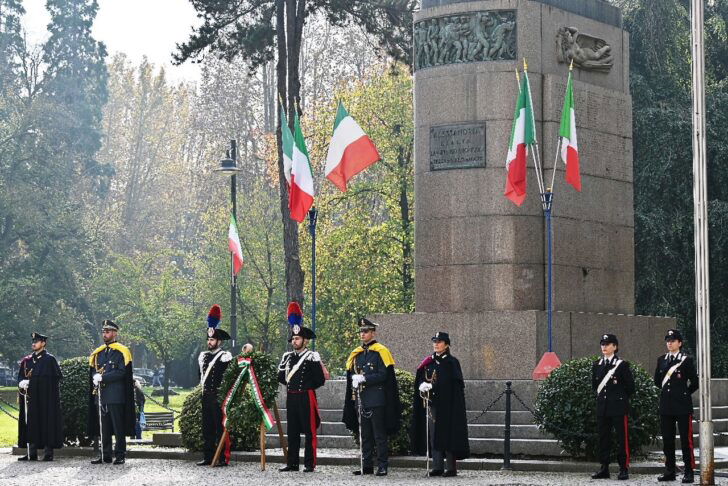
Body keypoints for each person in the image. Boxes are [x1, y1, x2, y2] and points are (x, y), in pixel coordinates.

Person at [342, 318, 401, 477]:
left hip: (376, 399)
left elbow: (383, 375)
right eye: (361, 331)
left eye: (366, 331)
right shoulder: (358, 353)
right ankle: (366, 465)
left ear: (373, 333)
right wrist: (354, 379)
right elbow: (353, 373)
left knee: (379, 435)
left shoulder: (380, 351)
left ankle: (382, 466)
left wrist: (365, 378)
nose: (362, 334)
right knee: (365, 435)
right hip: (361, 399)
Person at [411, 331, 469, 477]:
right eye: (434, 341)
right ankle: (437, 466)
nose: (436, 344)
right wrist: (421, 385)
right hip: (432, 403)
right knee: (433, 434)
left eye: (439, 341)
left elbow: (453, 384)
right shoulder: (428, 362)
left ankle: (450, 468)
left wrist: (434, 387)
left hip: (448, 405)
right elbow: (421, 377)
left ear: (446, 344)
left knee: (448, 435)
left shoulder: (451, 362)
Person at [277, 302, 326, 473]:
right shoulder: (288, 357)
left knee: (309, 432)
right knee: (292, 432)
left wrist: (305, 386)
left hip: (306, 396)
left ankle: (309, 463)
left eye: (297, 339)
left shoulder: (311, 356)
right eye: (293, 339)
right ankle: (292, 463)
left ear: (305, 340)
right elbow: (281, 377)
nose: (294, 341)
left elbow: (320, 379)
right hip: (291, 396)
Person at [654, 329, 699, 483]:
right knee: (667, 440)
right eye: (668, 340)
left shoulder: (686, 360)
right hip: (666, 405)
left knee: (686, 441)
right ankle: (670, 471)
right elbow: (657, 381)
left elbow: (695, 382)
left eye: (673, 340)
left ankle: (689, 471)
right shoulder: (661, 360)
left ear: (679, 343)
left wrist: (683, 393)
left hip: (682, 406)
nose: (669, 343)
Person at [88, 320, 136, 465]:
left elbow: (122, 372)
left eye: (108, 331)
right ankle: (105, 454)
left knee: (118, 427)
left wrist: (103, 377)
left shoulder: (121, 351)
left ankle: (120, 454)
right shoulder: (99, 353)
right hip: (101, 395)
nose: (105, 334)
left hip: (116, 395)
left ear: (115, 333)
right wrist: (95, 377)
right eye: (103, 331)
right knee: (104, 427)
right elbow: (93, 370)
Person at [591, 333, 635, 481]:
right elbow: (595, 386)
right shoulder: (597, 364)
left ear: (615, 347)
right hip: (603, 407)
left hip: (618, 408)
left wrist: (619, 400)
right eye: (602, 344)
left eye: (608, 344)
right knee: (604, 438)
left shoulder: (622, 365)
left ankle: (624, 468)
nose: (604, 346)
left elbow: (630, 387)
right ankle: (604, 468)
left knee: (622, 439)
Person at [17, 332, 63, 462]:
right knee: (30, 423)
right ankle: (31, 452)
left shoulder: (49, 360)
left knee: (47, 423)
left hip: (46, 399)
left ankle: (48, 452)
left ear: (43, 343)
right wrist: (22, 382)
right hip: (31, 399)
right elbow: (21, 376)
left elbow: (55, 379)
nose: (34, 343)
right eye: (33, 341)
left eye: (36, 341)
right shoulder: (27, 360)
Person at [197, 304, 232, 467]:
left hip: (219, 397)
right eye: (208, 339)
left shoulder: (225, 356)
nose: (209, 342)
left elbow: (228, 378)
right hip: (206, 396)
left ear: (219, 341)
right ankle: (208, 456)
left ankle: (223, 457)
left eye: (212, 339)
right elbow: (201, 376)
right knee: (207, 428)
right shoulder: (203, 356)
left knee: (220, 427)